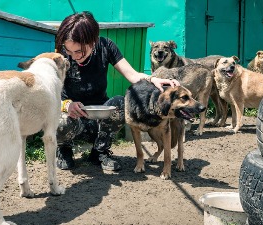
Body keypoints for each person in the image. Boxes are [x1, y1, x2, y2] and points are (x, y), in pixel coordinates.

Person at [55, 11, 180, 171]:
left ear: (92, 41)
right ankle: (64, 150)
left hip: (97, 119)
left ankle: (99, 151)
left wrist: (153, 79)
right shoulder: (59, 54)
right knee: (61, 120)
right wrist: (66, 105)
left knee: (121, 103)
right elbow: (49, 93)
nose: (73, 56)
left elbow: (133, 75)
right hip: (71, 118)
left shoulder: (106, 46)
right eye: (69, 51)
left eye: (78, 51)